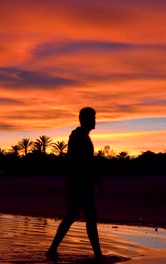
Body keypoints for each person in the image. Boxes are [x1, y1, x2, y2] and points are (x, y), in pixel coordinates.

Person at [47, 107, 104, 261]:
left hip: (80, 183)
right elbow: (82, 163)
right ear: (85, 120)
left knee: (73, 216)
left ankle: (52, 249)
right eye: (92, 118)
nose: (94, 121)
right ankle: (98, 254)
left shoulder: (80, 136)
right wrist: (93, 183)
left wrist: (96, 182)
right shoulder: (79, 137)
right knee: (87, 218)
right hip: (81, 184)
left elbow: (87, 163)